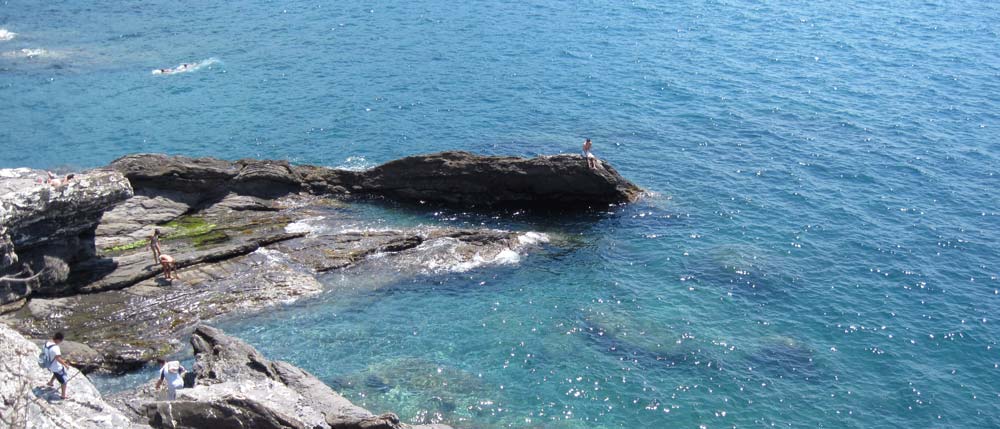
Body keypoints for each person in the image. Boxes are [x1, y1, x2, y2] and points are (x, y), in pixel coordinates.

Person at [44, 332, 71, 399]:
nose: (60, 342)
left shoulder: (47, 343)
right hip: (55, 367)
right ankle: (63, 395)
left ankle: (50, 382)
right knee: (64, 381)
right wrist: (65, 365)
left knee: (56, 373)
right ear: (59, 340)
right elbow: (58, 358)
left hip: (48, 364)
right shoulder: (56, 348)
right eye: (61, 341)